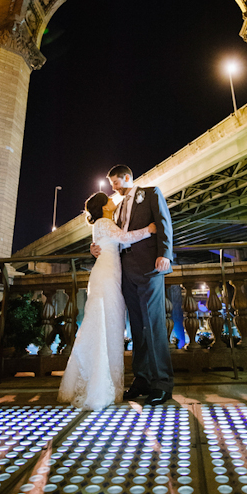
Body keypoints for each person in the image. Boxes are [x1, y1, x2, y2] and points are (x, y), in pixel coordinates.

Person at [58, 191, 156, 411]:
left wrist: (94, 249)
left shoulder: (103, 224)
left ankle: (100, 381)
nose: (113, 200)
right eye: (109, 199)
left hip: (108, 274)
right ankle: (102, 385)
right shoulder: (103, 221)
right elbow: (124, 238)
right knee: (106, 326)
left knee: (104, 326)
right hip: (106, 277)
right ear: (103, 206)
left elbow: (113, 242)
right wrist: (149, 230)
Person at [92, 165, 174, 407]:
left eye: (115, 183)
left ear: (127, 177)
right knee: (137, 327)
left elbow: (164, 223)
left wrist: (165, 254)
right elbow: (112, 236)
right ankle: (142, 380)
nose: (113, 189)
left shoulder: (150, 194)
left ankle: (162, 383)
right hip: (125, 272)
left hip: (149, 267)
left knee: (154, 325)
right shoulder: (115, 211)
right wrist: (95, 247)